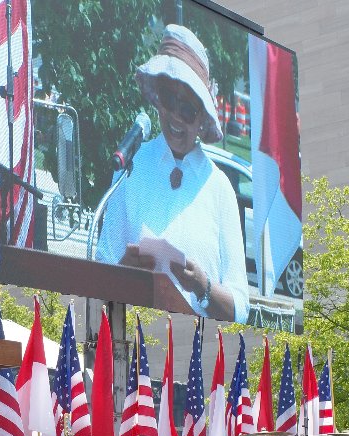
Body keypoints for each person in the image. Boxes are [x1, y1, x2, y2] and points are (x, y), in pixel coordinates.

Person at [95, 24, 250, 323]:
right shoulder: (131, 165)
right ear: (157, 99)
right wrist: (123, 269)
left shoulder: (219, 187)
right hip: (130, 340)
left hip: (193, 354)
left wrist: (202, 286)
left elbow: (241, 308)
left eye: (189, 108)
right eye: (169, 99)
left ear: (203, 117)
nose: (177, 116)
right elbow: (102, 267)